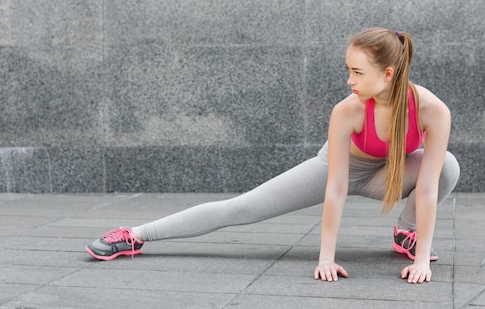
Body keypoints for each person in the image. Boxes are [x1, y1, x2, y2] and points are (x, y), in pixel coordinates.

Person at [85, 27, 460, 285]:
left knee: (446, 166)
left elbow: (427, 189)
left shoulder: (432, 110)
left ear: (389, 74)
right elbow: (336, 188)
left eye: (358, 72)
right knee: (242, 208)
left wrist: (423, 261)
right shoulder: (348, 110)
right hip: (336, 168)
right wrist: (325, 258)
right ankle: (134, 235)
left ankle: (407, 235)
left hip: (390, 175)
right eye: (348, 70)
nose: (349, 80)